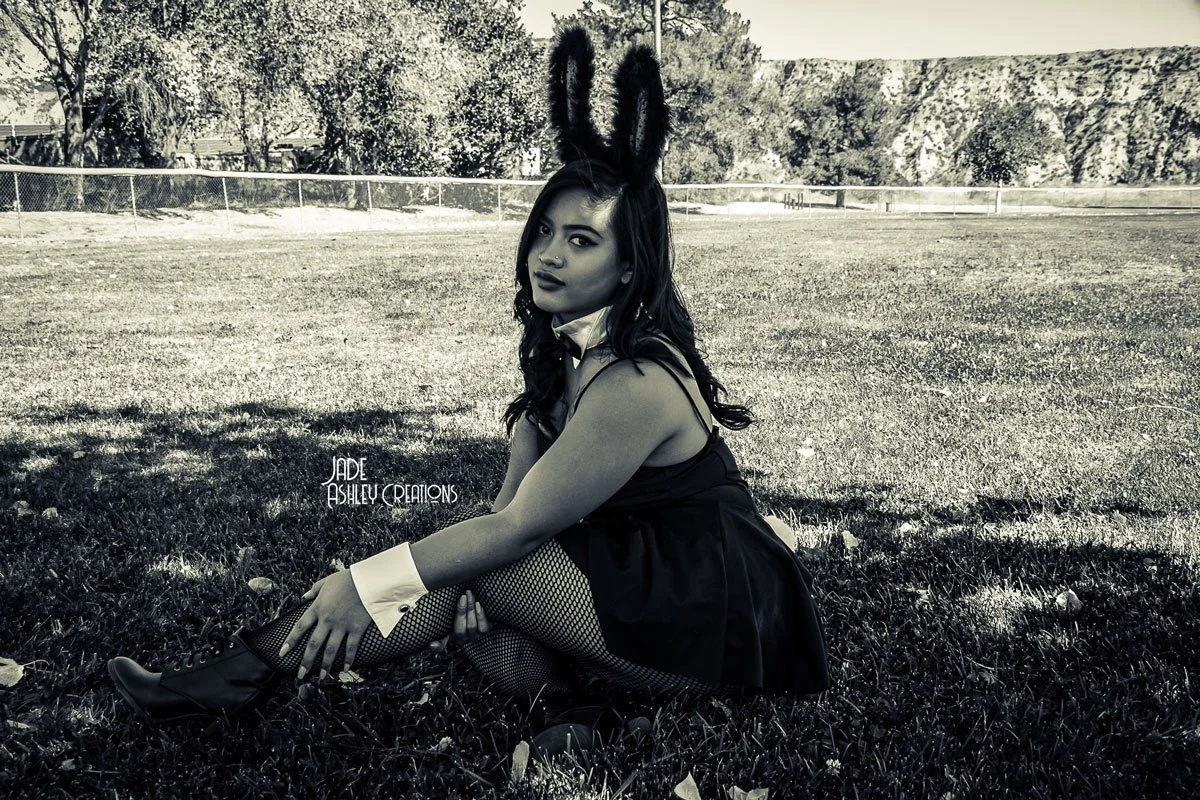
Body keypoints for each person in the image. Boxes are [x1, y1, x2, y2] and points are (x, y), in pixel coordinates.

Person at [107, 26, 831, 757]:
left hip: (720, 619)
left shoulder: (638, 377)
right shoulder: (566, 358)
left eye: (582, 241)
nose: (548, 254)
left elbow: (514, 534)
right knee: (475, 595)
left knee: (480, 563)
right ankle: (572, 707)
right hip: (638, 589)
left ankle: (242, 677)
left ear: (627, 267)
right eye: (545, 230)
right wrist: (471, 566)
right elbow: (511, 507)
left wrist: (367, 582)